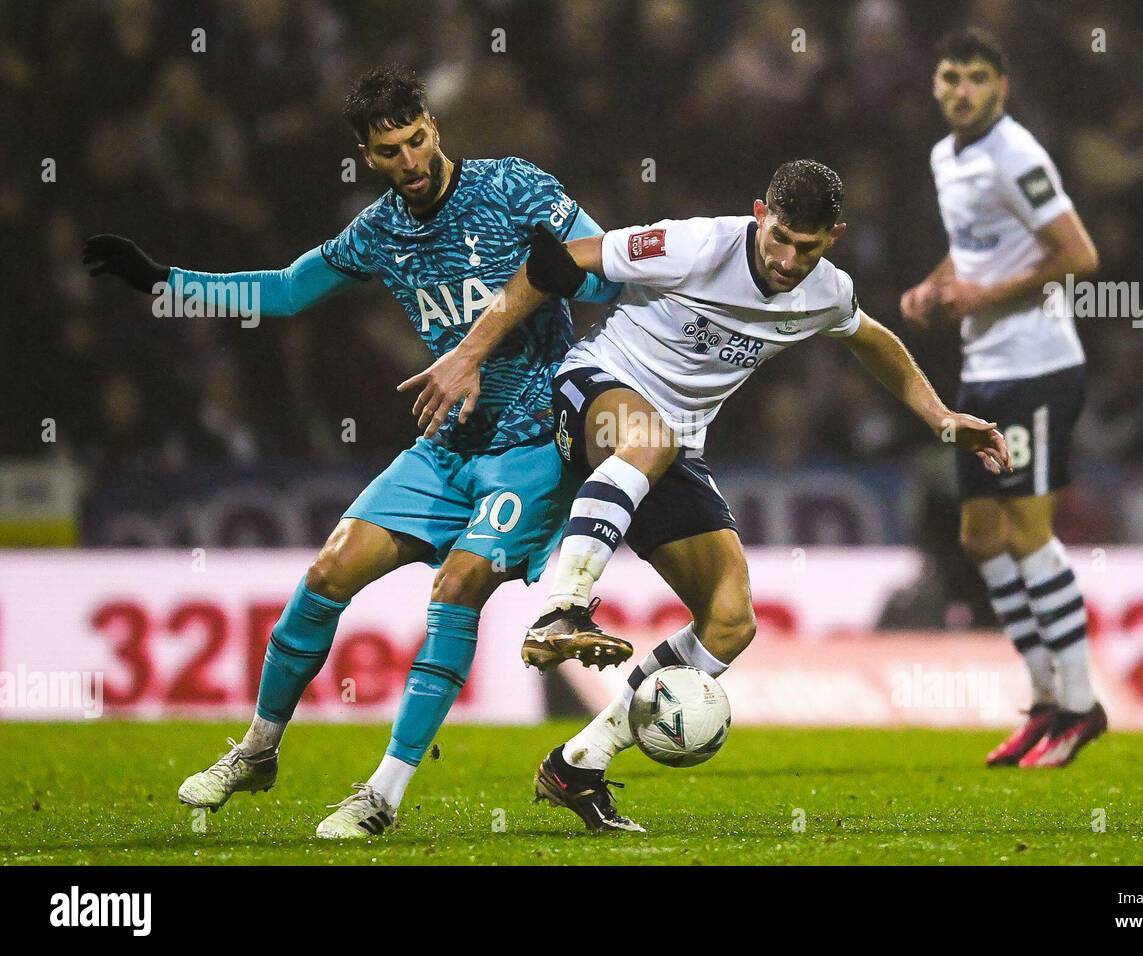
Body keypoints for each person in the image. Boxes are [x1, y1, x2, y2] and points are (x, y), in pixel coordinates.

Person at [83, 65, 619, 838]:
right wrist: (163, 283)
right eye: (389, 150)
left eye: (416, 139)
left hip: (531, 446)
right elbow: (285, 291)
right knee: (328, 571)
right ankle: (259, 750)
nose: (411, 161)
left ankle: (382, 797)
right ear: (367, 155)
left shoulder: (513, 187)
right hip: (444, 447)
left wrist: (563, 265)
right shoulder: (379, 231)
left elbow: (601, 271)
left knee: (457, 587)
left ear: (434, 125)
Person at [416, 158, 1010, 830]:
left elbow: (872, 340)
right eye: (779, 236)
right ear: (760, 214)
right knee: (650, 436)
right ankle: (564, 607)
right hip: (597, 386)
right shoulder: (692, 245)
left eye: (806, 247)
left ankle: (579, 763)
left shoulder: (825, 293)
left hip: (670, 445)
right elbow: (555, 264)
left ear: (833, 237)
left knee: (730, 620)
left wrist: (939, 418)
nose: (788, 259)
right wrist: (471, 351)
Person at [900, 28, 1106, 768]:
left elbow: (1081, 255)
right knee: (979, 539)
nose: (961, 90)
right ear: (936, 84)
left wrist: (987, 294)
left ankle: (1083, 707)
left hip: (1039, 368)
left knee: (1025, 532)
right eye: (950, 77)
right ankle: (1046, 701)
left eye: (976, 78)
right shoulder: (945, 157)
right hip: (983, 369)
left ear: (1001, 87)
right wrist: (938, 284)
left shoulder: (1017, 154)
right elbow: (975, 241)